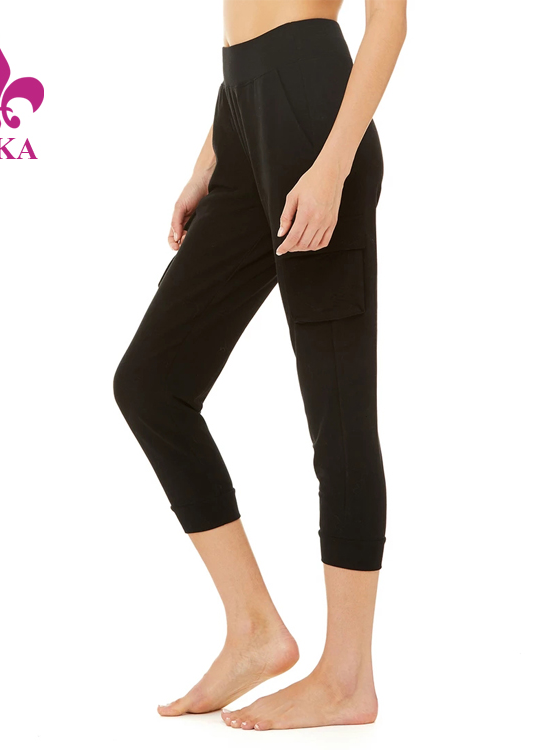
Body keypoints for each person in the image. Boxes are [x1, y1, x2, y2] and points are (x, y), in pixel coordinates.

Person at [113, 0, 408, 731]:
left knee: (338, 413)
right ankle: (254, 629)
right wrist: (208, 161)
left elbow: (389, 21)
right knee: (151, 383)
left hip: (315, 121)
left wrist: (334, 165)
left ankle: (347, 678)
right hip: (241, 114)